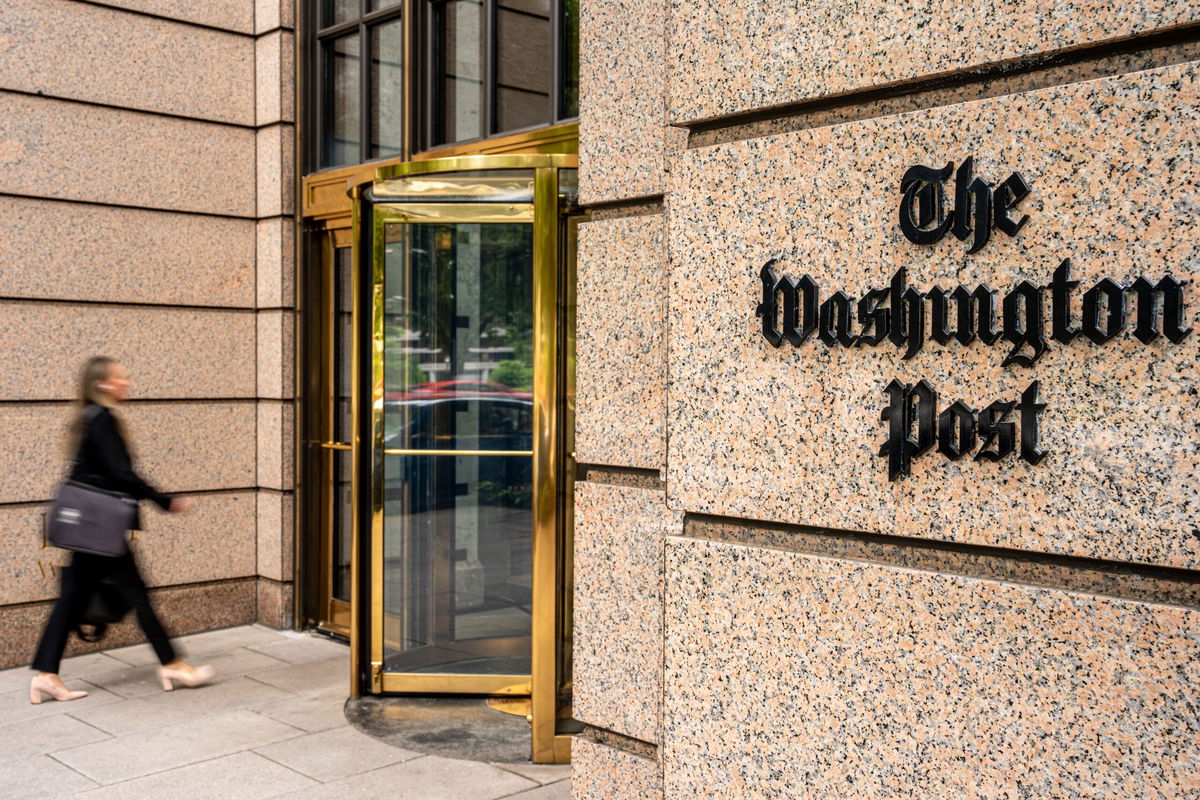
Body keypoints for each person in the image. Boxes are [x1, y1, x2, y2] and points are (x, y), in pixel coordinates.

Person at [30, 356, 214, 704]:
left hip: (91, 527)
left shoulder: (89, 418)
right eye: (120, 378)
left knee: (71, 599)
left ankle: (45, 675)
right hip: (100, 528)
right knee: (135, 594)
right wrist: (163, 500)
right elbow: (121, 474)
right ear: (102, 384)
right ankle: (172, 663)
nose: (126, 383)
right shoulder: (102, 419)